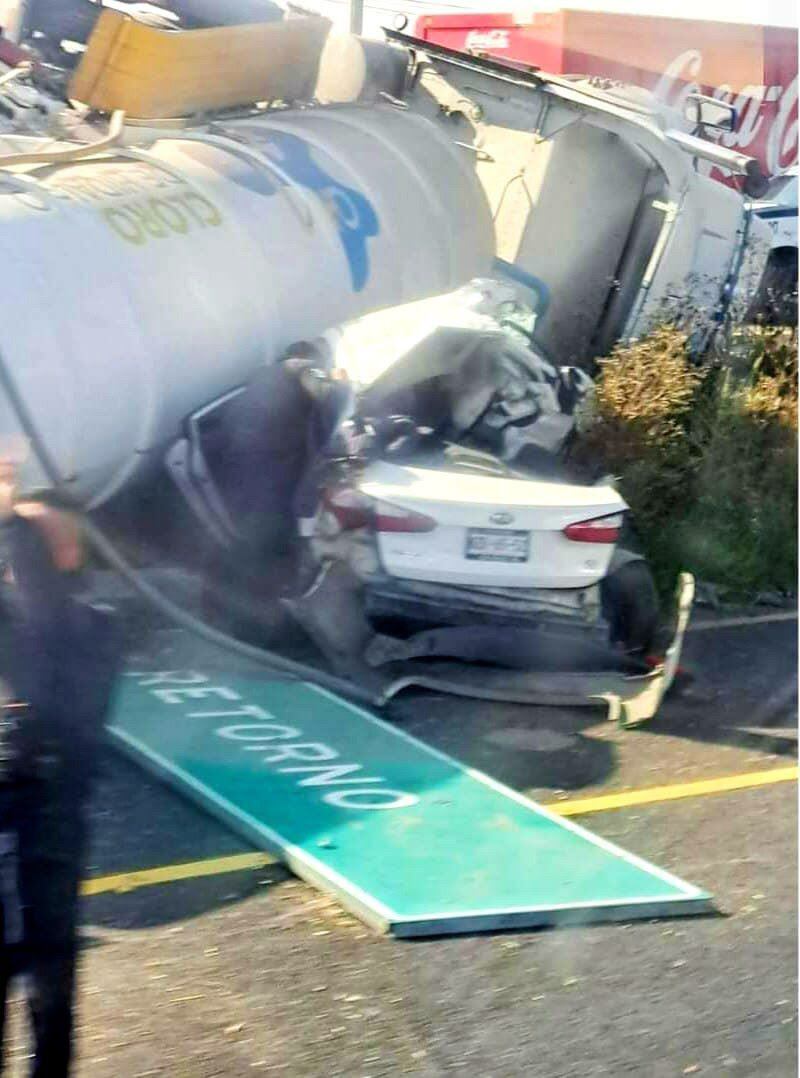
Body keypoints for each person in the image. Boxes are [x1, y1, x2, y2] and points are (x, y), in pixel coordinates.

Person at [0, 459, 121, 1076]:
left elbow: (57, 698)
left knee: (51, 969)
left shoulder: (90, 625)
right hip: (20, 802)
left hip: (50, 811)